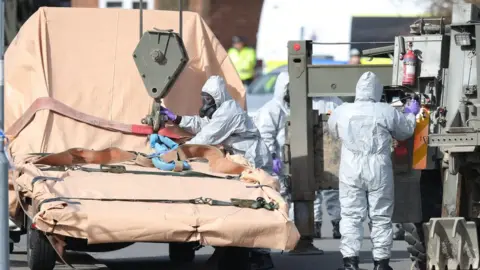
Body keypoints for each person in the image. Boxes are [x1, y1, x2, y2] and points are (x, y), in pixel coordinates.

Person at [159, 75, 275, 270]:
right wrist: (177, 118)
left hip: (253, 158)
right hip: (241, 157)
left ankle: (262, 256)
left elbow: (207, 136)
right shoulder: (221, 110)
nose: (204, 102)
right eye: (203, 98)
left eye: (207, 99)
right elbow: (203, 124)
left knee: (258, 205)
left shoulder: (229, 112)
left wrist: (173, 154)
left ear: (217, 97)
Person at [327, 71, 419, 270]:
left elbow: (332, 131)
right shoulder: (385, 111)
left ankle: (350, 263)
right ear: (377, 91)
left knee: (351, 215)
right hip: (378, 167)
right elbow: (405, 131)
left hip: (351, 167)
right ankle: (381, 263)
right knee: (381, 216)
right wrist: (411, 113)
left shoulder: (342, 110)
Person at [254, 71, 290, 208]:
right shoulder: (271, 109)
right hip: (278, 161)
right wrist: (273, 157)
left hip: (292, 160)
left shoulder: (293, 108)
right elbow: (266, 135)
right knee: (281, 195)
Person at [311, 97, 343, 239]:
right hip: (312, 148)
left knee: (332, 189)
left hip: (331, 150)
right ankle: (315, 225)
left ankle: (336, 224)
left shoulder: (336, 102)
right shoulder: (307, 100)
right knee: (313, 190)